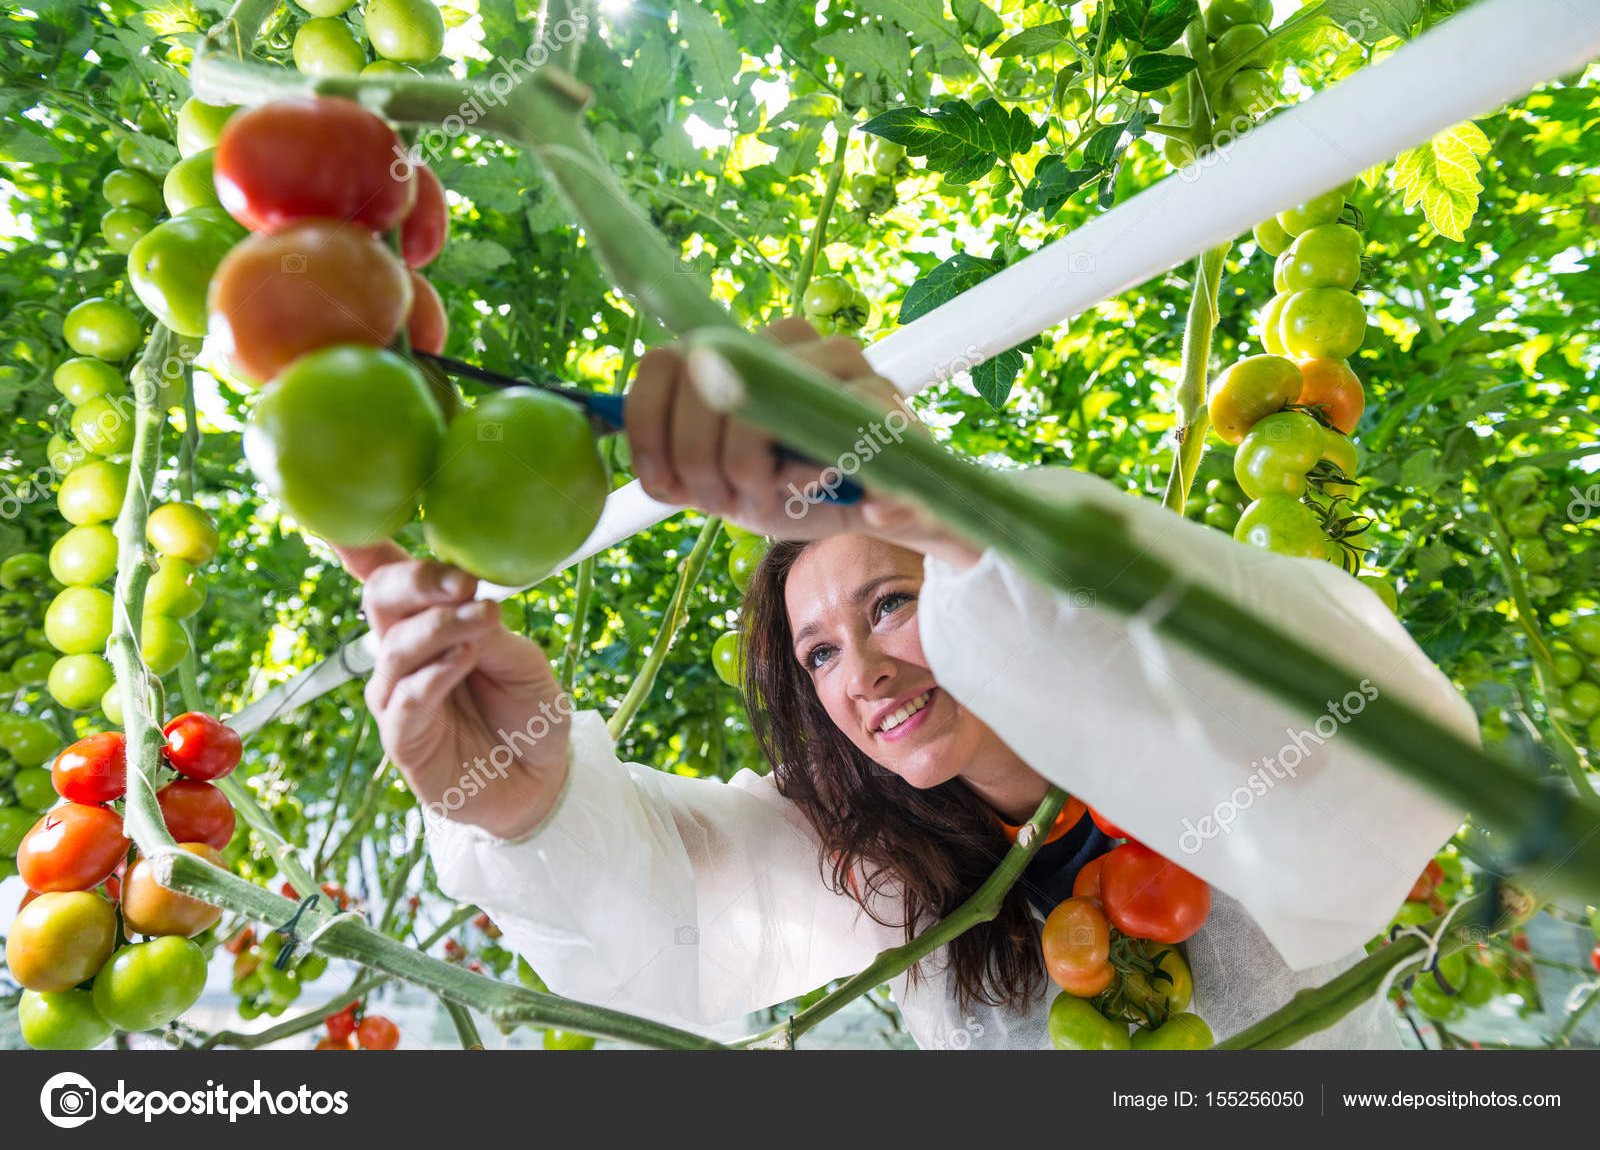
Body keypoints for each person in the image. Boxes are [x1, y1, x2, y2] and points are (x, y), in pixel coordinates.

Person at [334, 319, 1474, 1049]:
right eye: (818, 654)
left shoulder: (1181, 741)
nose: (863, 672)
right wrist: (519, 800)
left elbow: (1371, 762)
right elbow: (682, 916)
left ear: (982, 594)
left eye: (890, 602)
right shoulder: (867, 859)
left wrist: (936, 503)